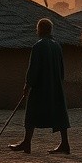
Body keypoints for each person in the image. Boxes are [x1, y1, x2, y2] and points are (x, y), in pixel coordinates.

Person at [9, 17, 71, 155]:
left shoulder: (38, 46)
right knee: (60, 115)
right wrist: (58, 84)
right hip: (56, 87)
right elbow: (62, 70)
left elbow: (33, 69)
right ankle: (65, 144)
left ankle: (26, 143)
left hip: (41, 88)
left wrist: (28, 85)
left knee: (31, 113)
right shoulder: (57, 46)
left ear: (40, 30)